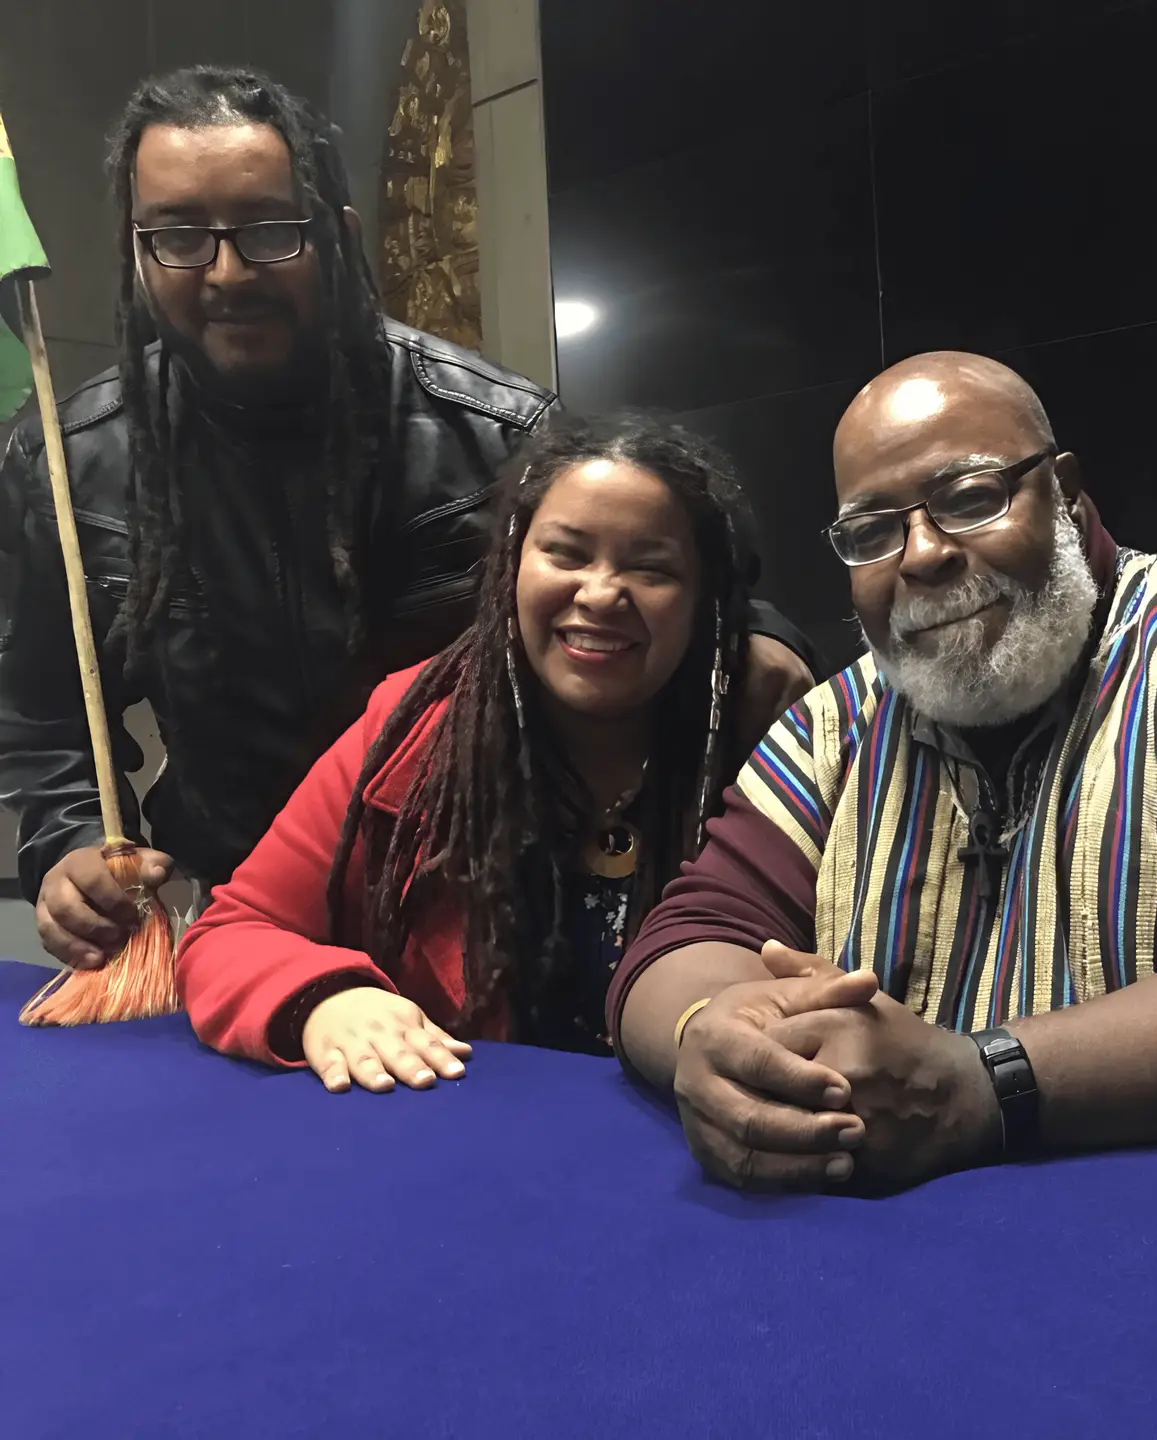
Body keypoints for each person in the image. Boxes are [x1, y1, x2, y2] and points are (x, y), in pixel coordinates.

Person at [0, 66, 812, 973]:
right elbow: (42, 718)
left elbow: (675, 596)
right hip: (234, 918)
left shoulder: (501, 433)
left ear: (340, 237)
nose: (226, 273)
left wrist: (765, 640)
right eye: (179, 237)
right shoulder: (67, 465)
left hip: (480, 911)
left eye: (269, 231)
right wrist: (69, 845)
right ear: (137, 251)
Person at [610, 351, 1157, 1192]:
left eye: (970, 499)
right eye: (872, 532)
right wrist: (713, 1033)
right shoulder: (835, 725)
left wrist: (982, 1084)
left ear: (1066, 494)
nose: (922, 555)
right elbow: (688, 936)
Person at [175, 414, 810, 1087]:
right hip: (471, 1132)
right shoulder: (414, 730)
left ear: (706, 597)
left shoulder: (768, 740)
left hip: (701, 1138)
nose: (599, 593)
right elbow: (230, 933)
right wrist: (327, 1000)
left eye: (651, 567)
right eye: (566, 553)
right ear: (512, 562)